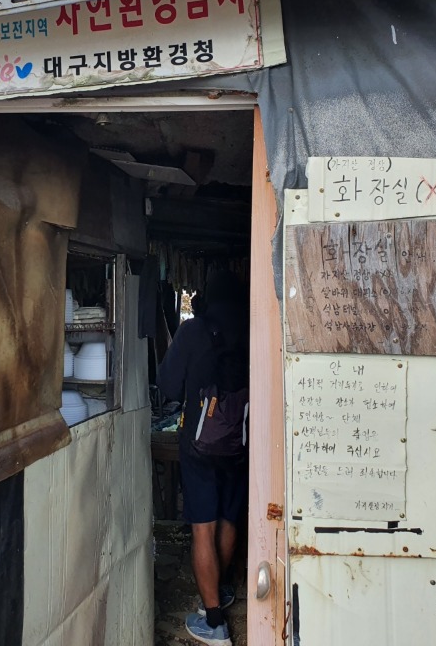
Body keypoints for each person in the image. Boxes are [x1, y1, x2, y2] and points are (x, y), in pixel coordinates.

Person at [157, 271, 249, 646]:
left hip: (199, 444)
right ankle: (220, 590)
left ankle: (213, 622)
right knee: (228, 519)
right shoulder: (255, 327)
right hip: (241, 443)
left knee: (203, 528)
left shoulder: (193, 331)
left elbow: (168, 386)